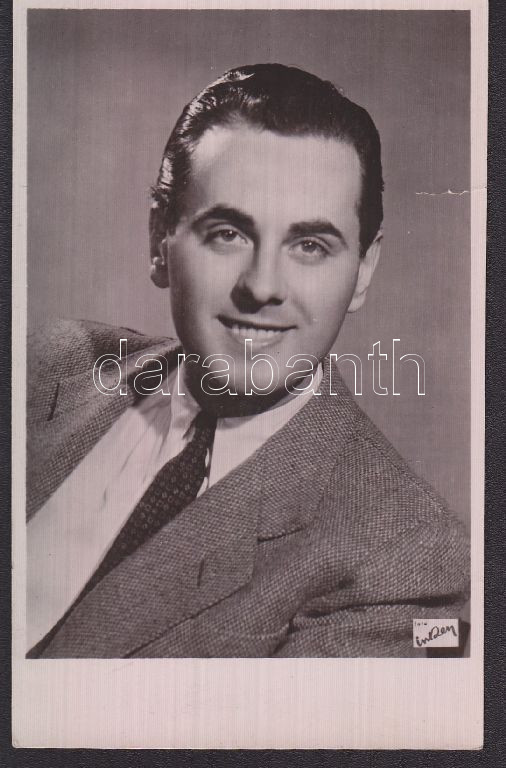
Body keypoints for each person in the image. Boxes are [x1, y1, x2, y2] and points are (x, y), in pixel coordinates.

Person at [26, 64, 469, 658]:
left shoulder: (406, 559)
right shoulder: (44, 366)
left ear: (363, 270)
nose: (262, 286)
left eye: (310, 245)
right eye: (229, 233)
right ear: (160, 239)